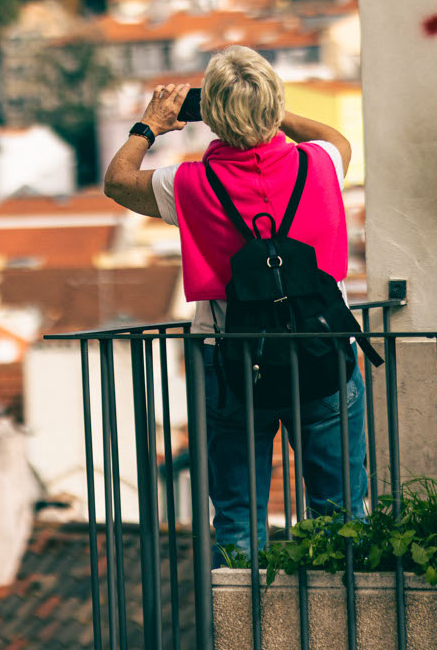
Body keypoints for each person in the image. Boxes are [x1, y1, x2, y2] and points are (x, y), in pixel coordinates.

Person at [100, 46, 363, 561]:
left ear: (214, 117)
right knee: (342, 508)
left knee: (239, 513)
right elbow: (337, 138)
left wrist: (150, 125)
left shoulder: (190, 184)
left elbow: (117, 181)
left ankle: (247, 624)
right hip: (321, 346)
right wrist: (269, 110)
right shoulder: (320, 164)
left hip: (231, 353)